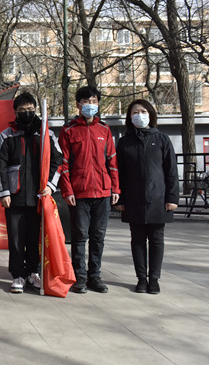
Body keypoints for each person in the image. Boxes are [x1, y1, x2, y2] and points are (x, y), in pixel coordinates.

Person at [0, 92, 63, 293]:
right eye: (22, 110)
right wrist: (3, 192)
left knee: (35, 238)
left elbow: (58, 162)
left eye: (30, 109)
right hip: (14, 197)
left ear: (35, 109)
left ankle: (34, 272)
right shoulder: (7, 135)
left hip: (39, 196)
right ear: (15, 112)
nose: (26, 113)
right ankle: (17, 275)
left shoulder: (46, 134)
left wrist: (50, 185)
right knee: (16, 239)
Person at [59, 86, 120, 294]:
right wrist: (67, 190)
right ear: (78, 104)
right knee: (79, 236)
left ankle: (95, 276)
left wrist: (115, 187)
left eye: (93, 101)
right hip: (79, 193)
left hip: (103, 192)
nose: (90, 105)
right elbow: (63, 164)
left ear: (98, 103)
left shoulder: (104, 130)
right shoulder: (68, 131)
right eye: (86, 101)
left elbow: (112, 161)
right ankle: (80, 277)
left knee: (98, 236)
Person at [115, 99, 178, 294]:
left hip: (158, 199)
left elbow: (171, 171)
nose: (139, 115)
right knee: (137, 239)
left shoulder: (162, 140)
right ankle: (141, 278)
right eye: (135, 112)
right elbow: (119, 173)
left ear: (150, 114)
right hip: (133, 200)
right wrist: (121, 199)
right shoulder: (125, 142)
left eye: (143, 111)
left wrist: (172, 198)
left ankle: (155, 279)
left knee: (157, 239)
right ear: (129, 117)